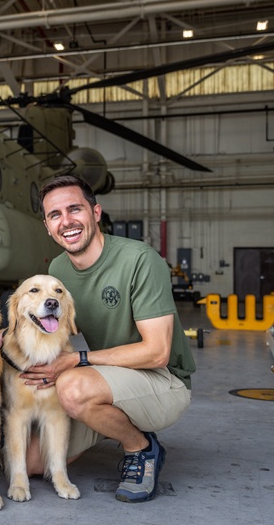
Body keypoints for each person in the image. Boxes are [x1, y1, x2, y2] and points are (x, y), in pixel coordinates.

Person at [21, 174, 195, 503]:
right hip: (110, 381)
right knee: (32, 462)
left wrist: (78, 360)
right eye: (55, 215)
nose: (67, 222)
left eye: (75, 209)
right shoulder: (59, 269)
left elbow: (157, 353)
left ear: (96, 213)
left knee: (72, 387)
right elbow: (49, 331)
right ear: (47, 226)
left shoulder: (140, 260)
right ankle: (106, 418)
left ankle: (141, 447)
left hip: (164, 380)